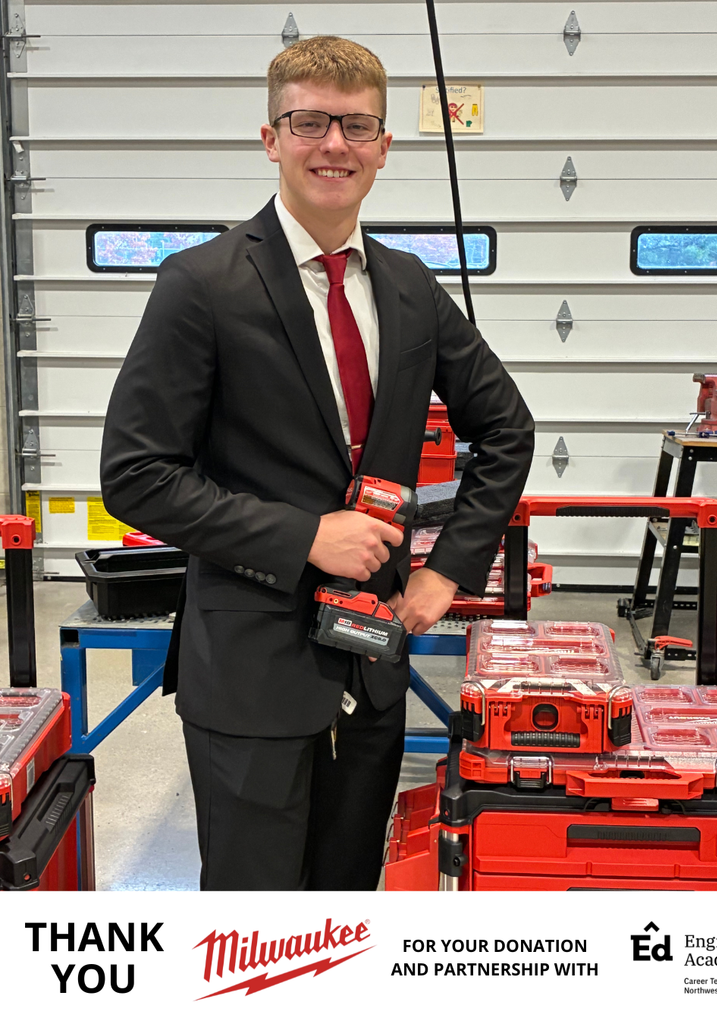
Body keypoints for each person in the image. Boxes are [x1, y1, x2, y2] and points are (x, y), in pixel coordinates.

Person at [100, 36, 534, 891]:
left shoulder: (412, 289)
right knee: (254, 927)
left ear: (383, 147)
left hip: (370, 661)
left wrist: (447, 573)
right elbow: (137, 474)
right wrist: (305, 536)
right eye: (309, 122)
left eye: (357, 126)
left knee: (344, 907)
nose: (333, 145)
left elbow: (507, 431)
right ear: (271, 138)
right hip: (248, 673)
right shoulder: (203, 284)